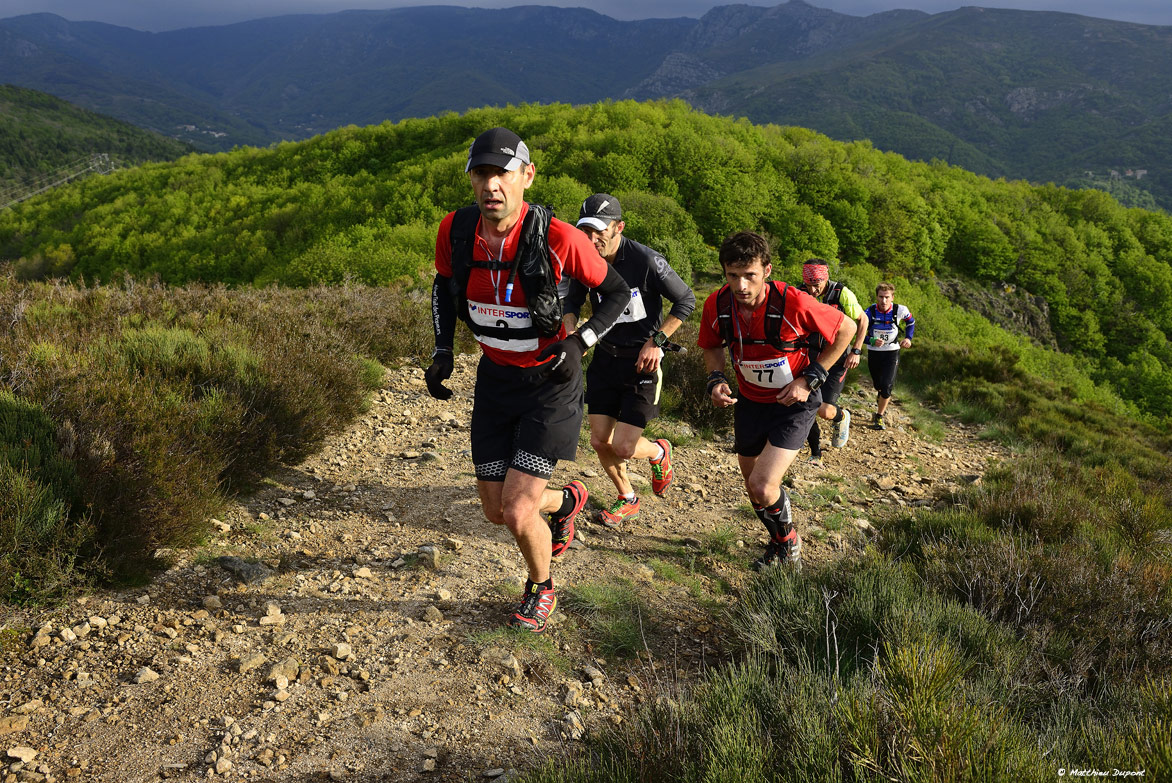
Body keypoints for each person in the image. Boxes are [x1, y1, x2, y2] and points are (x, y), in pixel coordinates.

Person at [424, 128, 631, 633]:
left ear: (527, 176)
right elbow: (443, 286)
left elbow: (618, 293)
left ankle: (541, 587)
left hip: (550, 386)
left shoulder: (561, 238)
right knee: (495, 510)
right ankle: (568, 502)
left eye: (502, 173)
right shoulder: (456, 230)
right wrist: (443, 349)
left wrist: (579, 342)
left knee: (518, 512)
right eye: (481, 174)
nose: (491, 185)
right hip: (496, 380)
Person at [699, 232, 856, 571]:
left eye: (750, 275)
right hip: (750, 402)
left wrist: (811, 378)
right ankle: (779, 541)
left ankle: (789, 545)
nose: (741, 285)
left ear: (767, 270)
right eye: (732, 275)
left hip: (794, 403)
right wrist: (716, 378)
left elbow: (847, 328)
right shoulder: (718, 304)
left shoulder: (793, 301)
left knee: (762, 484)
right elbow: (711, 344)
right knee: (753, 487)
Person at [563, 194, 696, 528]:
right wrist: (571, 333)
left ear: (618, 227)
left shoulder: (646, 260)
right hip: (605, 359)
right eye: (585, 231)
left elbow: (686, 300)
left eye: (599, 231)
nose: (591, 239)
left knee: (623, 447)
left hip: (642, 363)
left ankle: (658, 452)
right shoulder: (583, 259)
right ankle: (628, 497)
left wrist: (657, 341)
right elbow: (571, 302)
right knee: (599, 441)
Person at [798, 259, 869, 466]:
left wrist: (856, 350)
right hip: (810, 356)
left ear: (826, 278)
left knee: (824, 410)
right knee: (805, 405)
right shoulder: (799, 292)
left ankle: (841, 416)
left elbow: (863, 319)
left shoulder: (841, 293)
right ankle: (815, 452)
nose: (813, 290)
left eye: (817, 284)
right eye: (808, 284)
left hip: (837, 359)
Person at [863, 282, 915, 430]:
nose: (883, 301)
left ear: (892, 297)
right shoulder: (869, 312)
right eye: (881, 297)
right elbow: (858, 332)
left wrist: (908, 338)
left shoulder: (900, 310)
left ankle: (879, 416)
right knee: (878, 385)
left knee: (887, 386)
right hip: (874, 352)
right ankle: (881, 394)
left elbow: (911, 322)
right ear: (876, 297)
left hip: (892, 351)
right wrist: (871, 340)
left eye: (887, 297)